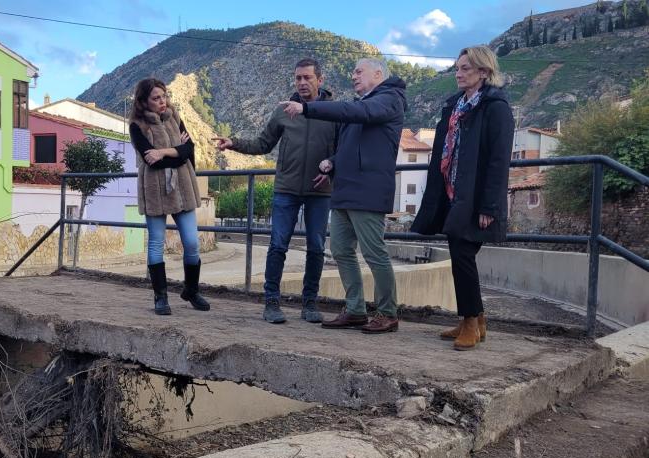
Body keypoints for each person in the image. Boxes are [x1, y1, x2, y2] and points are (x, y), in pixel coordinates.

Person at [280, 58, 405, 334]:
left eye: (358, 71)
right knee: (340, 250)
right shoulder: (363, 105)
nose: (353, 76)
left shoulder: (388, 99)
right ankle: (356, 309)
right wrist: (333, 162)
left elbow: (359, 112)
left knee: (374, 253)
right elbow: (350, 145)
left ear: (378, 74)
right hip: (345, 189)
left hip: (368, 191)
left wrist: (307, 108)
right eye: (353, 71)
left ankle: (387, 313)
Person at [213, 58, 338, 324]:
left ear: (320, 79)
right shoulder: (284, 111)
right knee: (278, 245)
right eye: (298, 78)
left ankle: (310, 303)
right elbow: (263, 143)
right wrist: (233, 143)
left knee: (316, 247)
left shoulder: (334, 112)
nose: (302, 83)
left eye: (307, 78)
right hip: (286, 189)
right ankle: (271, 302)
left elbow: (343, 149)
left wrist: (332, 166)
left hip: (321, 190)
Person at [411, 46, 514, 350]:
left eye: (466, 68)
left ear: (484, 72)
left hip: (476, 198)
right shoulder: (456, 106)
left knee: (463, 255)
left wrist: (489, 206)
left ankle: (471, 320)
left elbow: (499, 161)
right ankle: (475, 321)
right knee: (459, 254)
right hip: (454, 195)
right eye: (457, 68)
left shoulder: (495, 107)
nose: (458, 73)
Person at [128, 77, 209, 315]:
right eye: (156, 98)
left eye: (164, 96)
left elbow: (188, 151)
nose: (162, 102)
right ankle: (160, 297)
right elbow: (149, 160)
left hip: (182, 187)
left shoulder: (175, 118)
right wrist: (175, 152)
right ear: (144, 101)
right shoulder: (137, 126)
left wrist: (163, 152)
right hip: (154, 190)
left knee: (192, 242)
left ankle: (191, 290)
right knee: (156, 243)